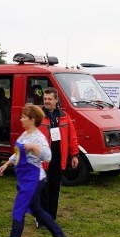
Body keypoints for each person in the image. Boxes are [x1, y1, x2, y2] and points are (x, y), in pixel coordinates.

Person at [0, 104, 68, 237]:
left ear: (32, 119)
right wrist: (8, 163)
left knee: (19, 210)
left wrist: (34, 148)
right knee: (37, 209)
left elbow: (47, 156)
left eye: (23, 117)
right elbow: (18, 153)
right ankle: (59, 234)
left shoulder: (38, 137)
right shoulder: (24, 135)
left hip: (34, 179)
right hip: (25, 179)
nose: (21, 119)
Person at [38, 87, 80, 220]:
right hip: (42, 161)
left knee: (55, 189)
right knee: (42, 190)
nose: (47, 101)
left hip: (58, 160)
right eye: (45, 99)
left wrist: (74, 155)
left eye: (50, 99)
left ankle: (52, 217)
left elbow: (72, 137)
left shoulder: (64, 117)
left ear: (56, 100)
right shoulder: (38, 116)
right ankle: (41, 218)